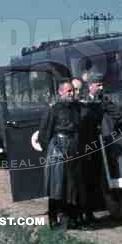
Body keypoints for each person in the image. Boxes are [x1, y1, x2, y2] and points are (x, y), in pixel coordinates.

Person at [77, 72, 122, 228]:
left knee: (93, 179)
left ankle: (90, 214)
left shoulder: (103, 99)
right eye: (98, 85)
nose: (101, 87)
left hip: (97, 145)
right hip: (82, 145)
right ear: (90, 85)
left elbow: (117, 114)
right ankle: (81, 215)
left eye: (102, 84)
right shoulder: (80, 100)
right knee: (82, 181)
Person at [38, 80, 83, 230]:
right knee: (56, 185)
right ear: (60, 92)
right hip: (57, 148)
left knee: (72, 185)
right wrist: (52, 149)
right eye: (69, 91)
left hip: (73, 147)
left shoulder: (76, 108)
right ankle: (53, 220)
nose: (72, 93)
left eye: (73, 91)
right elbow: (44, 134)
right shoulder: (53, 110)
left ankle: (70, 220)